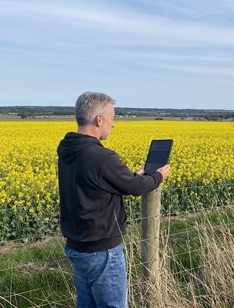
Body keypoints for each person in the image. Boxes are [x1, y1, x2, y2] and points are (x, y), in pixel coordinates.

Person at [57, 91, 170, 308]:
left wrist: (132, 177)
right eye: (112, 118)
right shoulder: (101, 156)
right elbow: (136, 188)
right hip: (102, 250)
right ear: (99, 119)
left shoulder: (68, 151)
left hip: (78, 246)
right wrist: (158, 176)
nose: (114, 124)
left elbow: (93, 184)